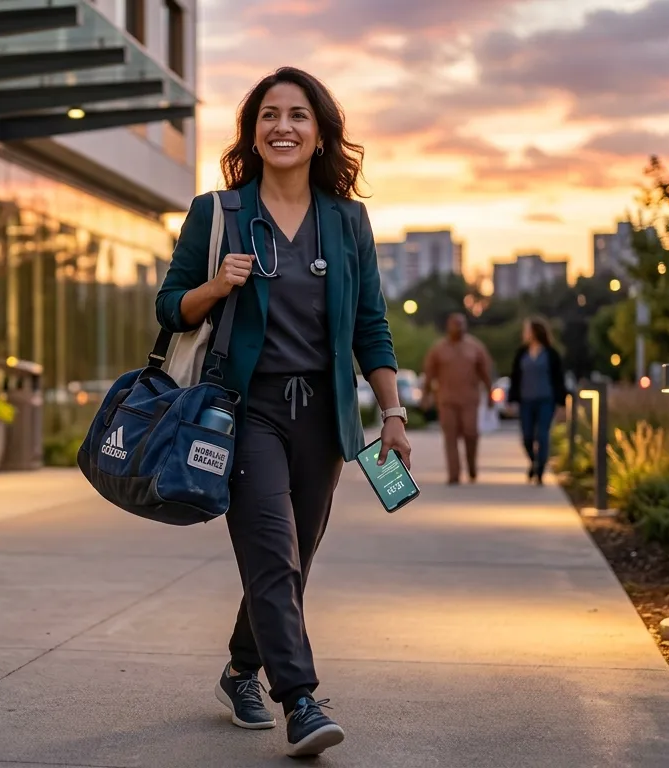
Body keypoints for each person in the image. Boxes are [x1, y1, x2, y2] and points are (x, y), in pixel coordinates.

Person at [155, 66, 409, 758]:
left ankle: (241, 669)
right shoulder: (221, 212)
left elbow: (370, 327)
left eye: (298, 115)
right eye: (269, 115)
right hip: (246, 413)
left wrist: (392, 413)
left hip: (323, 420)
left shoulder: (347, 222)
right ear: (253, 132)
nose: (283, 127)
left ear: (321, 134)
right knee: (270, 550)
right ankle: (299, 698)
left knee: (289, 563)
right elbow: (168, 306)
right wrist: (214, 285)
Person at [422, 313, 494, 485]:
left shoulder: (475, 347)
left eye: (461, 324)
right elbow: (429, 375)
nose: (458, 327)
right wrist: (426, 395)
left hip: (469, 399)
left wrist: (490, 394)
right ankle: (454, 474)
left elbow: (486, 373)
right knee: (450, 437)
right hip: (447, 400)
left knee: (471, 434)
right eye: (455, 324)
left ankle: (471, 466)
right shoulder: (438, 349)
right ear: (449, 326)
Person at [509, 317, 567, 485]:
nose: (524, 333)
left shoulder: (550, 354)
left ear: (535, 332)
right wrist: (512, 399)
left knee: (542, 435)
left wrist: (562, 402)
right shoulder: (522, 353)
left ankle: (540, 469)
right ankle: (534, 461)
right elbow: (515, 377)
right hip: (526, 401)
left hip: (545, 400)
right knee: (527, 436)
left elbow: (558, 378)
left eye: (527, 330)